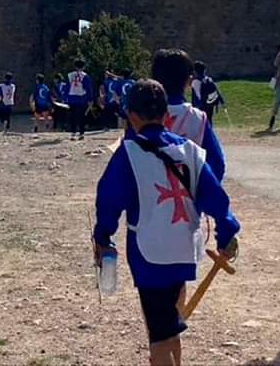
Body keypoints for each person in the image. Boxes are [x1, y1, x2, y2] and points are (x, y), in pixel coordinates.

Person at [93, 78, 240, 366]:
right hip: (184, 248)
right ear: (165, 115)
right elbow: (215, 198)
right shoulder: (191, 151)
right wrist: (226, 233)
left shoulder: (129, 153)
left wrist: (103, 236)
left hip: (149, 254)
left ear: (132, 116)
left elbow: (108, 200)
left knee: (158, 334)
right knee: (171, 325)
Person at [152, 49, 226, 181]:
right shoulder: (197, 119)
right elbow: (216, 164)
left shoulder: (140, 116)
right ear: (189, 80)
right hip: (187, 197)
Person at [66, 60, 94, 140]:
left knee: (72, 116)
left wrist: (65, 98)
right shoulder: (84, 76)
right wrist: (90, 99)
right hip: (81, 98)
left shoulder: (70, 75)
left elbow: (67, 87)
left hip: (71, 97)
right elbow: (88, 88)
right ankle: (81, 133)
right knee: (81, 116)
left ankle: (73, 133)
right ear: (83, 67)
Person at [190, 61, 225, 125]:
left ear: (195, 71)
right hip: (210, 104)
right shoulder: (209, 79)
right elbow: (217, 90)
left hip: (201, 106)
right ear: (204, 70)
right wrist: (222, 101)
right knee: (209, 121)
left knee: (201, 124)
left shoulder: (195, 82)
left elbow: (196, 96)